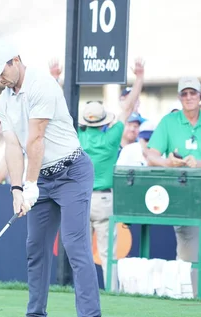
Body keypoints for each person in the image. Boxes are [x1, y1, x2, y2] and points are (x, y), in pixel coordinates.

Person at [0, 38, 105, 317]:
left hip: (72, 172)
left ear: (16, 60)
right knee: (34, 246)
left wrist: (31, 184)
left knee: (74, 244)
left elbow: (36, 140)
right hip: (41, 178)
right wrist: (16, 188)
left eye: (1, 71)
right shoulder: (4, 100)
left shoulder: (41, 85)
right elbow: (12, 145)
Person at [146, 76, 201, 301]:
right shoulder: (169, 121)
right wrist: (168, 162)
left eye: (193, 93)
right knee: (188, 250)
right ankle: (189, 300)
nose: (189, 97)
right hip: (182, 191)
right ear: (179, 97)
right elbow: (151, 154)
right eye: (184, 94)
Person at [77, 60, 144, 291]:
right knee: (108, 253)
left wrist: (55, 78)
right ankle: (111, 291)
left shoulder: (79, 137)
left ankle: (84, 290)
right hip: (105, 199)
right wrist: (139, 78)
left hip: (82, 198)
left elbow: (61, 112)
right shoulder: (112, 137)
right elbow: (127, 109)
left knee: (82, 251)